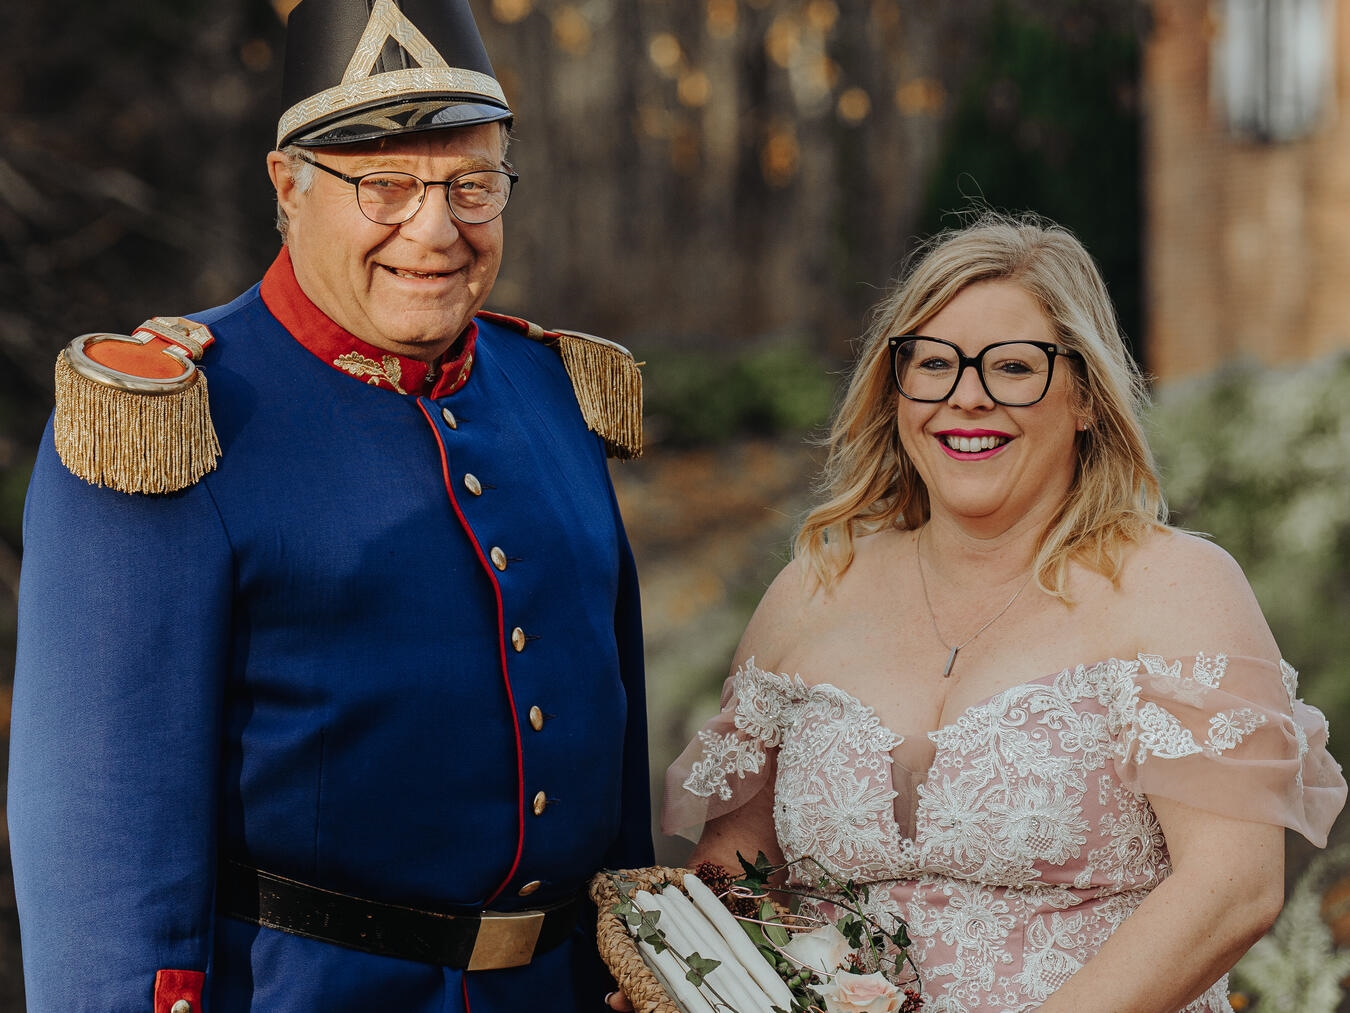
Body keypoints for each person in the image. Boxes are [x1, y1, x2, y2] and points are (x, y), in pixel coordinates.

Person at [8, 1, 652, 1011]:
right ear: (288, 185)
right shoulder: (172, 419)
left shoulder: (551, 391)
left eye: (471, 184)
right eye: (385, 185)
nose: (435, 230)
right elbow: (101, 838)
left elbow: (615, 755)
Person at [661, 212, 1346, 1012]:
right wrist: (683, 974)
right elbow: (738, 868)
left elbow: (1231, 889)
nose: (968, 398)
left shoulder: (1178, 587)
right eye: (935, 364)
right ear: (895, 389)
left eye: (1014, 367)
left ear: (1086, 394)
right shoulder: (813, 589)